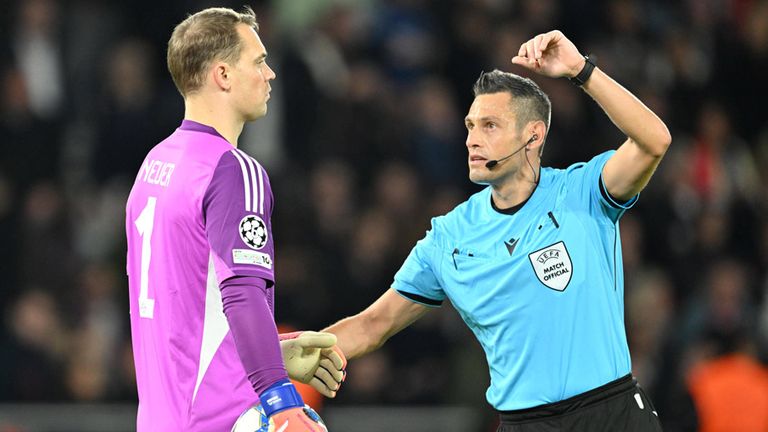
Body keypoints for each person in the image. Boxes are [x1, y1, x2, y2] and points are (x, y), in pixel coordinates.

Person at [323, 30, 670, 431]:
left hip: (612, 414)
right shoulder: (449, 237)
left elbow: (654, 141)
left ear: (533, 136)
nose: (472, 139)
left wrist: (580, 69)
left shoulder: (581, 192)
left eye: (490, 126)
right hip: (525, 424)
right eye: (470, 126)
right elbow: (371, 326)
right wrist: (271, 360)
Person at [125, 7, 344, 432]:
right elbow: (242, 292)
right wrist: (281, 399)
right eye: (259, 62)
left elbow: (183, 307)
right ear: (223, 75)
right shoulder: (233, 170)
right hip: (222, 419)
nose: (271, 74)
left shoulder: (154, 165)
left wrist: (270, 352)